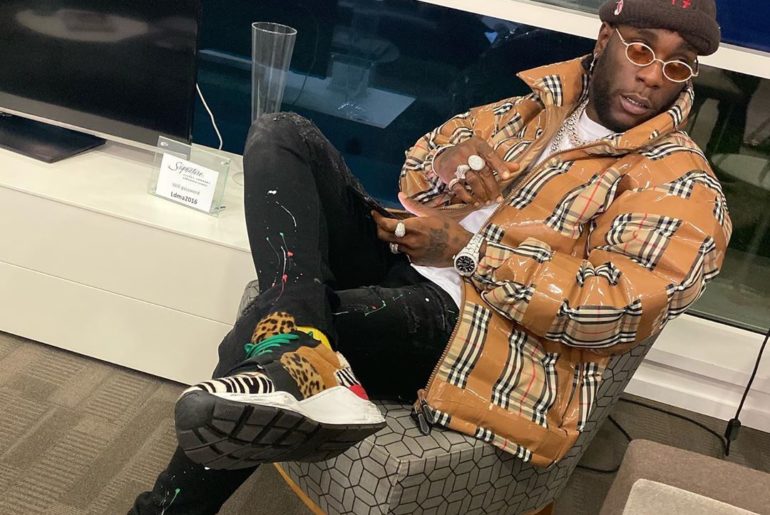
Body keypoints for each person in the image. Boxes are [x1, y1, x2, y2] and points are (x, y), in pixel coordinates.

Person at [131, 0, 731, 512]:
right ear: (604, 40)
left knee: (261, 331)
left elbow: (612, 309)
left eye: (677, 64)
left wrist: (470, 251)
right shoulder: (531, 111)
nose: (652, 76)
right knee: (281, 134)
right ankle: (297, 338)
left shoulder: (680, 186)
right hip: (408, 262)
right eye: (641, 49)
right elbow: (419, 167)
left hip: (480, 332)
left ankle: (174, 494)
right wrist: (443, 168)